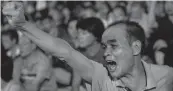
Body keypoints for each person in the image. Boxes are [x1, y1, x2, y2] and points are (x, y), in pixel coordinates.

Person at [3, 2, 173, 91]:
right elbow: (63, 50)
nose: (106, 53)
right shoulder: (102, 78)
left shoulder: (166, 76)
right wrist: (22, 24)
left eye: (114, 46)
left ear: (135, 48)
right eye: (105, 46)